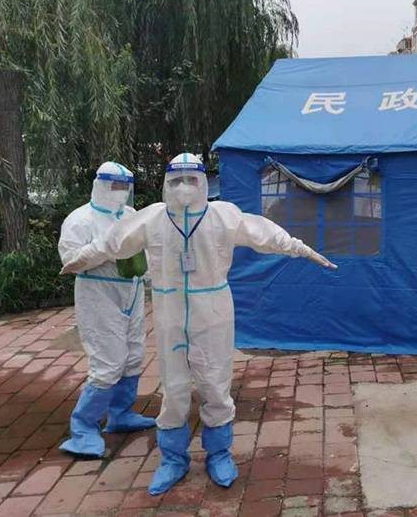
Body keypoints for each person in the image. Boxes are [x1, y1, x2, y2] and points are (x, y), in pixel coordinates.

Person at [60, 153, 337, 494]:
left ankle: (219, 453)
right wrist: (78, 260)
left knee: (215, 384)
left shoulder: (222, 216)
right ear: (167, 183)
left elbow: (264, 234)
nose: (184, 188)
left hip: (213, 313)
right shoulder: (153, 218)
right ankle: (172, 458)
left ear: (204, 182)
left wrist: (301, 249)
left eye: (191, 180)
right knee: (174, 389)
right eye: (177, 180)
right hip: (170, 314)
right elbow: (111, 243)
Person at [57, 162, 155, 458]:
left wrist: (153, 275)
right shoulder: (80, 220)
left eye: (125, 187)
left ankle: (120, 414)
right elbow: (70, 261)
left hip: (132, 292)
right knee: (108, 361)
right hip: (98, 294)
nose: (121, 192)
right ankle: (83, 428)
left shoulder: (129, 214)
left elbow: (143, 251)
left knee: (133, 354)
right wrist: (104, 246)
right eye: (115, 186)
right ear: (101, 185)